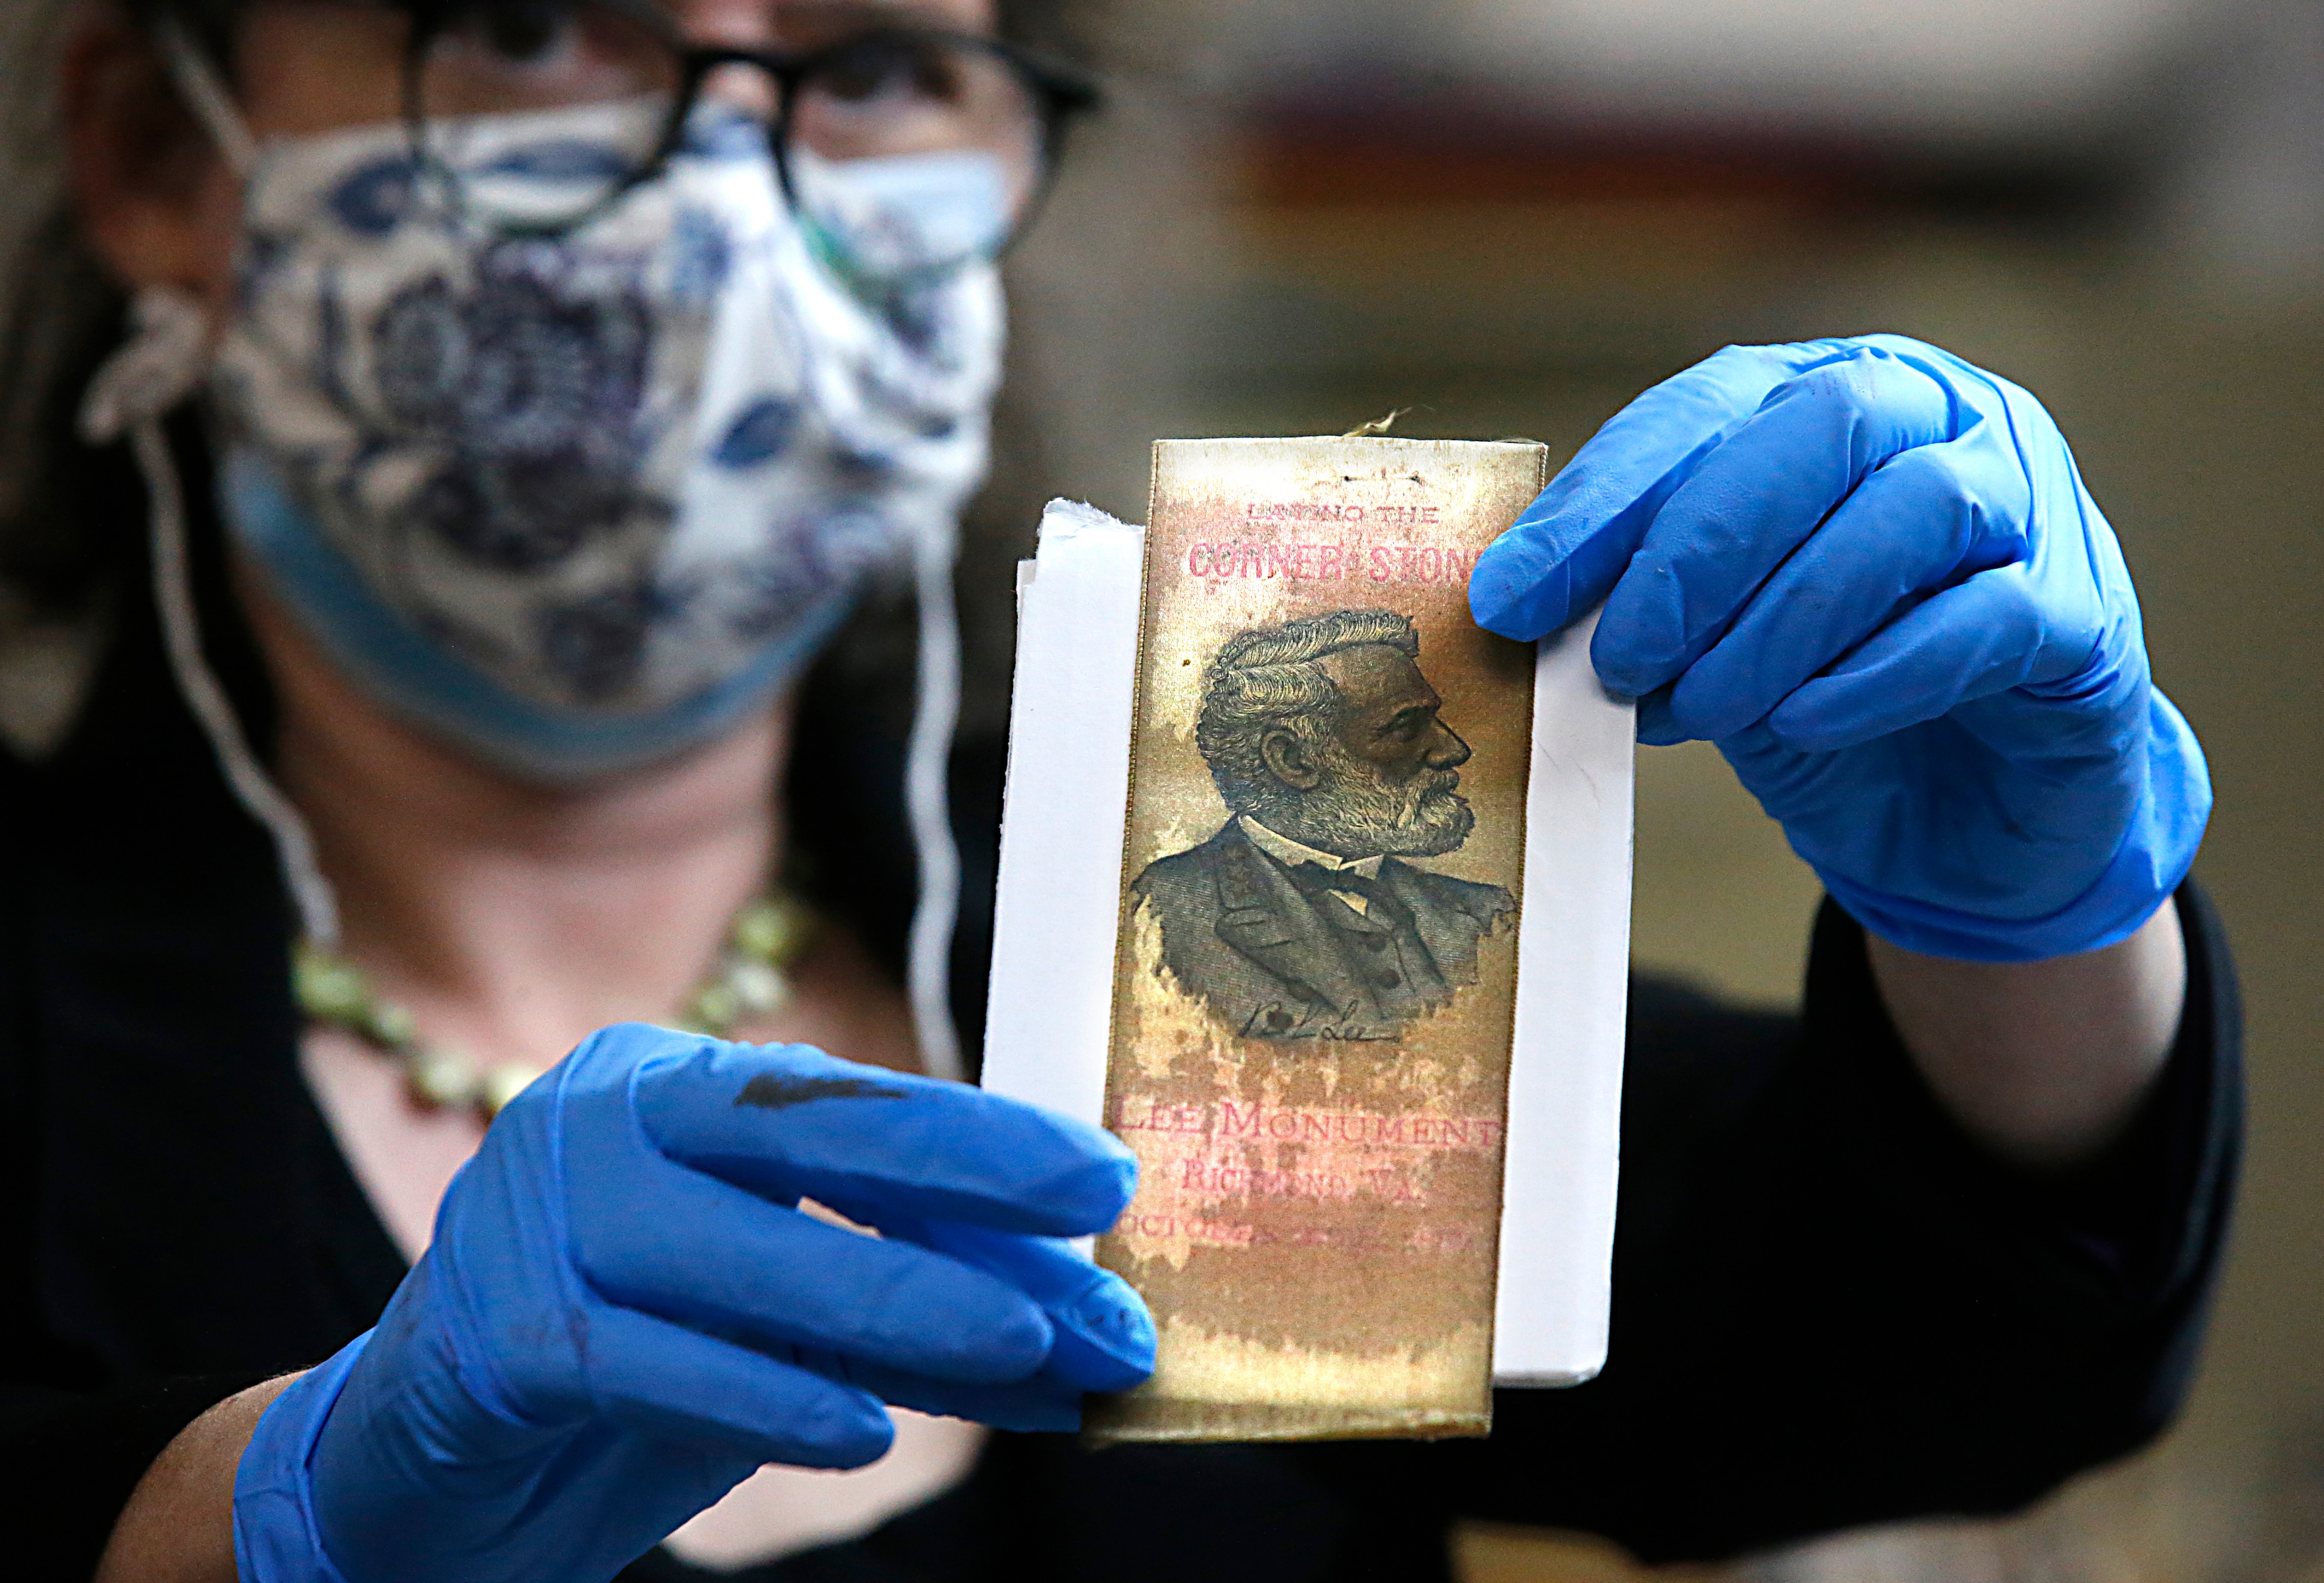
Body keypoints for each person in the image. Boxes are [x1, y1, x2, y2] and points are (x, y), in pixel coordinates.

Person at [0, 1, 2235, 1582]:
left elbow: (1940, 1347)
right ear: (157, 154)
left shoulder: (1227, 881)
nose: (723, 180)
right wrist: (245, 1520)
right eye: (522, 25)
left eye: (872, 61)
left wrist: (2033, 921)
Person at [1131, 607, 1513, 1042]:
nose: (1453, 749)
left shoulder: (1488, 915)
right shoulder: (1160, 913)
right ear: (1292, 760)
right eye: (1406, 727)